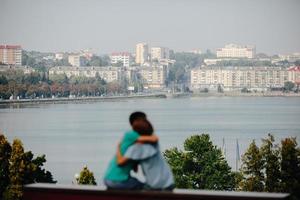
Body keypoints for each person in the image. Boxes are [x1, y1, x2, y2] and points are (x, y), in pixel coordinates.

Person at [103, 112, 158, 190]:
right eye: (144, 121)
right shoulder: (131, 134)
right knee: (147, 188)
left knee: (136, 182)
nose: (146, 122)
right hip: (117, 180)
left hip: (109, 178)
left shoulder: (131, 144)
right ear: (136, 122)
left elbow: (135, 170)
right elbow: (153, 139)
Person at [121, 119, 175, 190]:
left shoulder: (136, 148)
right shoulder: (154, 143)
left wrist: (119, 147)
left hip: (156, 185)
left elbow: (121, 162)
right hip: (168, 181)